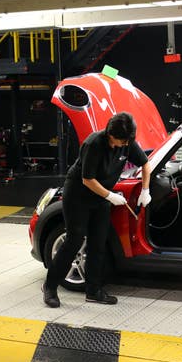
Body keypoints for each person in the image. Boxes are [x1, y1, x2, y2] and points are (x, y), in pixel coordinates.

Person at [42, 112, 152, 307]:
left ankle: (93, 291)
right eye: (122, 141)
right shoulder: (94, 144)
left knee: (98, 243)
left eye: (128, 141)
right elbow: (87, 180)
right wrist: (110, 196)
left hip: (101, 197)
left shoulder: (127, 141)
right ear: (111, 135)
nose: (125, 145)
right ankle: (50, 286)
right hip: (79, 195)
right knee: (74, 241)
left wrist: (145, 190)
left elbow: (145, 164)